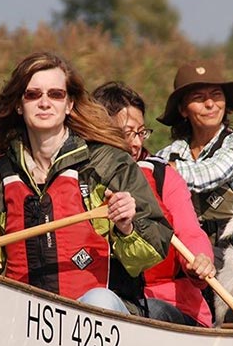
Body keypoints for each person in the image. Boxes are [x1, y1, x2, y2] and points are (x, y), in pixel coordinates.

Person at [0, 52, 173, 316]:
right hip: (24, 320)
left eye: (55, 94)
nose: (44, 103)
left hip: (109, 314)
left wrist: (127, 227)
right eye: (33, 94)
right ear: (18, 105)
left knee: (98, 300)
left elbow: (151, 253)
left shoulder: (109, 165)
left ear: (69, 104)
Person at [92, 81, 217, 327]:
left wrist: (200, 259)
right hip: (106, 304)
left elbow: (189, 231)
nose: (137, 143)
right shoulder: (82, 175)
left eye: (141, 133)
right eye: (127, 133)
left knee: (151, 311)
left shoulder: (163, 176)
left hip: (170, 307)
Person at [155, 60, 233, 244]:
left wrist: (159, 171)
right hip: (192, 256)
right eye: (198, 97)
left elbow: (210, 174)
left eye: (216, 95)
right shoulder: (167, 155)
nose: (210, 104)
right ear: (183, 109)